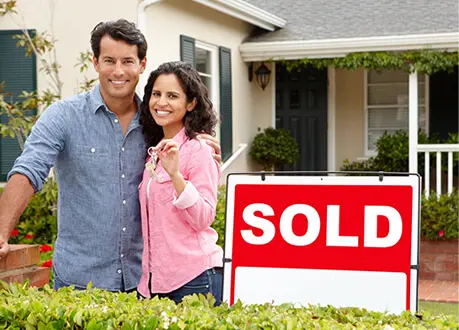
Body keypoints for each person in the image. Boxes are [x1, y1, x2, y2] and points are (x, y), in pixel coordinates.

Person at [0, 19, 221, 293]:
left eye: (128, 61)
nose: (119, 71)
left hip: (143, 284)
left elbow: (186, 160)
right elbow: (28, 171)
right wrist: (1, 232)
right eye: (109, 60)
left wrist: (197, 145)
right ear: (95, 62)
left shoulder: (156, 124)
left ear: (142, 65)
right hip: (79, 282)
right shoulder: (64, 116)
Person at [136, 61, 223, 305]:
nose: (161, 102)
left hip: (195, 278)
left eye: (172, 96)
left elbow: (203, 217)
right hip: (157, 282)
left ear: (191, 103)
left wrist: (176, 176)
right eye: (156, 94)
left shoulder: (199, 150)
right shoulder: (153, 152)